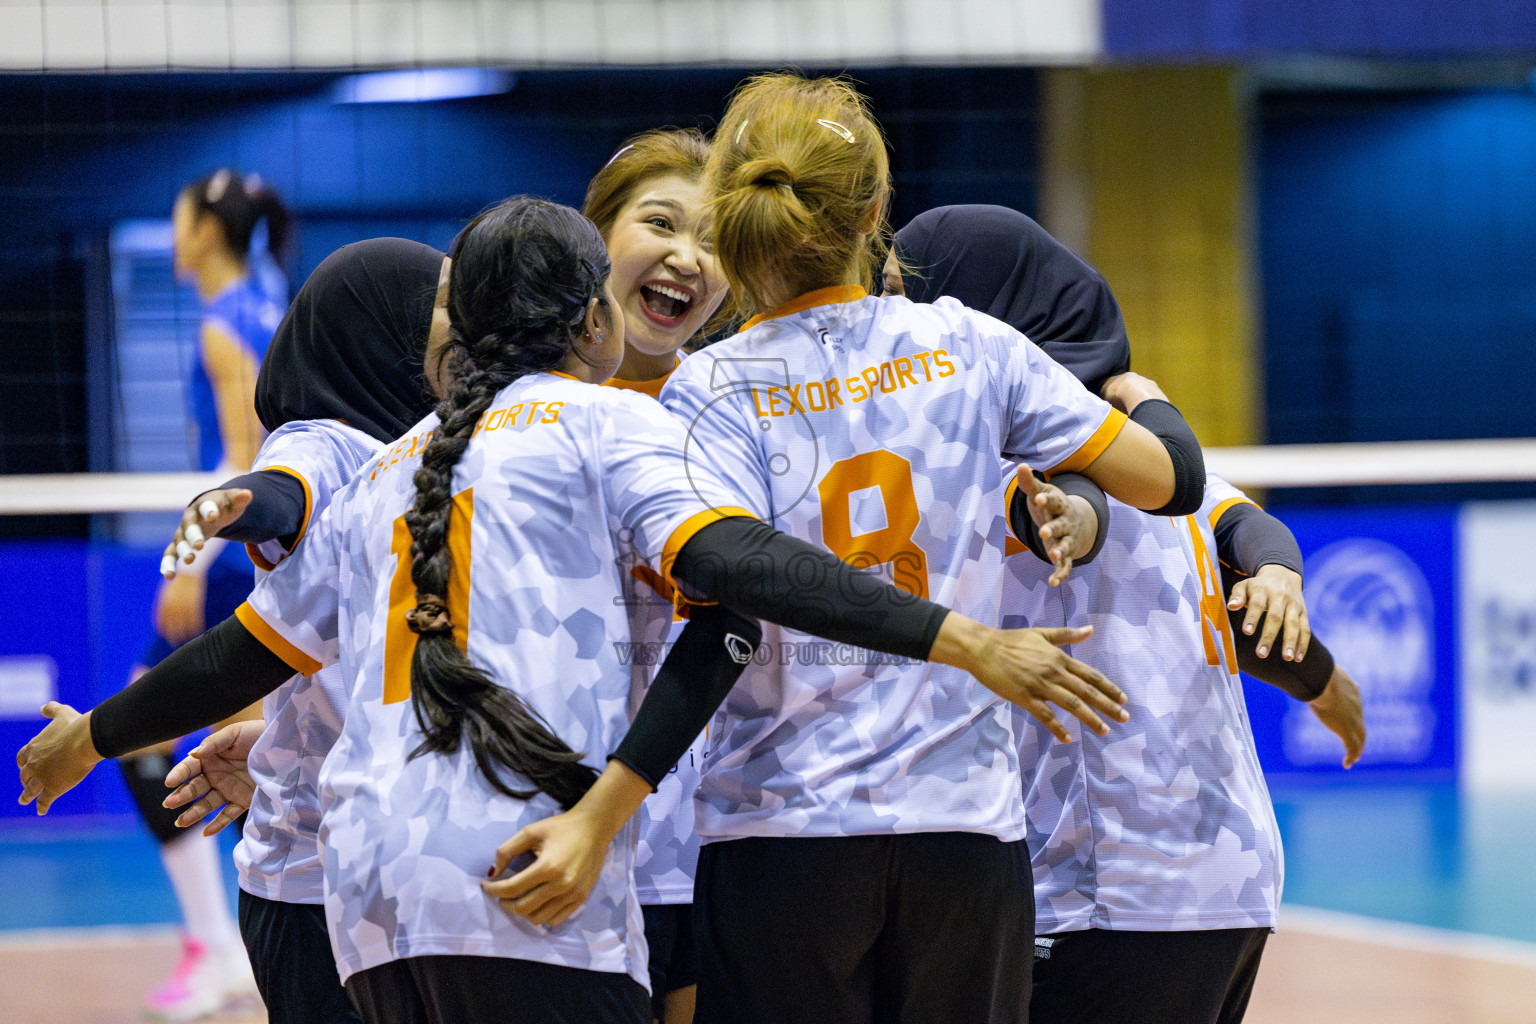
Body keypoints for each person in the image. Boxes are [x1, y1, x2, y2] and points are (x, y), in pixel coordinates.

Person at [20, 196, 1129, 1024]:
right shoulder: (608, 428)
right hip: (527, 879)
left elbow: (240, 655)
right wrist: (962, 636)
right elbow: (742, 566)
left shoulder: (388, 469)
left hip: (370, 901)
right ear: (592, 316)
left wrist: (93, 733)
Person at [530, 72, 1203, 1024]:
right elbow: (1170, 482)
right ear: (878, 212)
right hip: (964, 831)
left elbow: (728, 615)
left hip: (782, 833)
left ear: (732, 220)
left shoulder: (709, 386)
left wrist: (607, 805)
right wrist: (1144, 401)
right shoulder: (973, 343)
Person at [891, 202, 1365, 1023]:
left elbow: (1066, 503)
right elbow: (1248, 545)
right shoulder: (1151, 458)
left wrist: (1068, 520)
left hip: (1104, 888)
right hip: (1229, 880)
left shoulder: (1002, 465)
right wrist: (1324, 682)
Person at [158, 237, 451, 1024]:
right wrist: (240, 502)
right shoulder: (326, 443)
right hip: (312, 879)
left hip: (401, 855)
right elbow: (288, 488)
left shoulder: (440, 450)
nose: (458, 325)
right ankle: (208, 941)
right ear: (381, 332)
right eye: (440, 308)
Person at [119, 167, 291, 1021]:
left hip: (227, 558)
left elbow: (241, 454)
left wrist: (184, 563)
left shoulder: (225, 328)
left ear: (206, 232)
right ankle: (243, 945)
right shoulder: (274, 304)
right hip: (268, 554)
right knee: (250, 747)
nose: (173, 231)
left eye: (180, 216)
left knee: (142, 738)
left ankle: (221, 947)